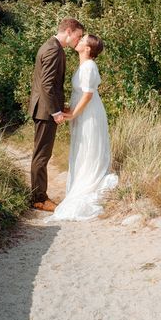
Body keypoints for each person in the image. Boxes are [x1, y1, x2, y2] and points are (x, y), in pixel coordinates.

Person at [45, 34, 118, 222]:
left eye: (83, 39)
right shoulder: (83, 66)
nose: (78, 41)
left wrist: (74, 114)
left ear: (87, 48)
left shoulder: (89, 66)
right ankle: (81, 182)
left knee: (88, 148)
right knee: (81, 148)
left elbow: (87, 95)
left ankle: (88, 184)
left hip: (89, 113)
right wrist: (69, 109)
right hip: (81, 112)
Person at [28, 18, 84, 211]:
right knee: (41, 155)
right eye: (78, 36)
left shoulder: (51, 46)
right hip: (45, 110)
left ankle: (38, 195)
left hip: (45, 108)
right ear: (68, 31)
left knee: (42, 154)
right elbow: (47, 84)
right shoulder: (53, 49)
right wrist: (56, 111)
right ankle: (38, 198)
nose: (78, 40)